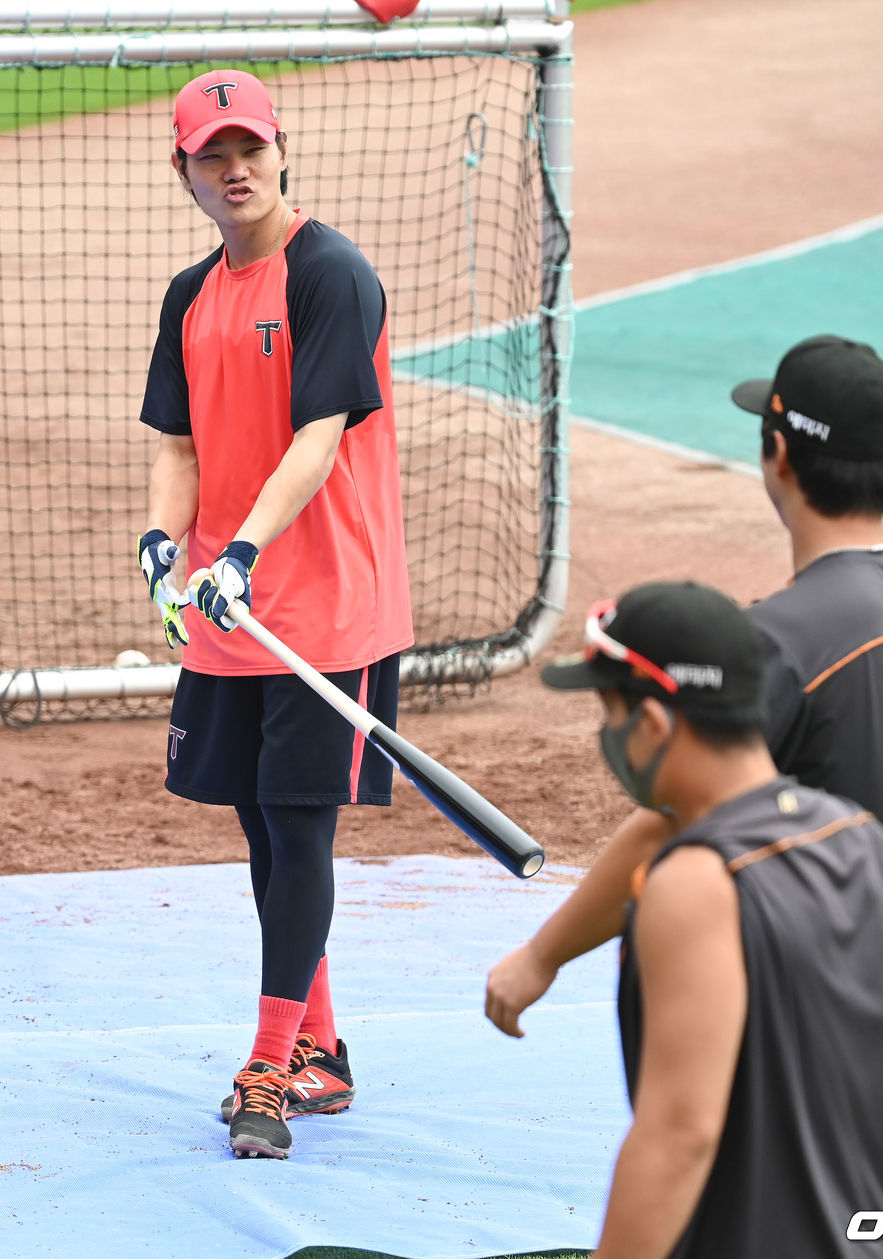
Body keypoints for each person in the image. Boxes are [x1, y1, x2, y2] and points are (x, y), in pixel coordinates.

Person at [485, 334, 883, 1166]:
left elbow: (673, 820)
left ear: (777, 454)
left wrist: (539, 956)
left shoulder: (779, 642)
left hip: (804, 1040)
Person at [136, 69, 414, 1160]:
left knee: (299, 825)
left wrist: (243, 548)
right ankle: (322, 1046)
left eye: (249, 146)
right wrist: (167, 544)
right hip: (225, 607)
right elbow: (177, 441)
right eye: (213, 154)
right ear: (186, 171)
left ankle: (268, 1064)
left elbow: (323, 430)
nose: (234, 168)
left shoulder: (331, 274)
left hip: (325, 606)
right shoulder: (189, 296)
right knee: (260, 821)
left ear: (281, 150)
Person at [528, 580, 883, 1259]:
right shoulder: (866, 838)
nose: (607, 735)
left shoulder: (694, 881)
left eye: (609, 709)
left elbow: (679, 1135)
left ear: (652, 724)